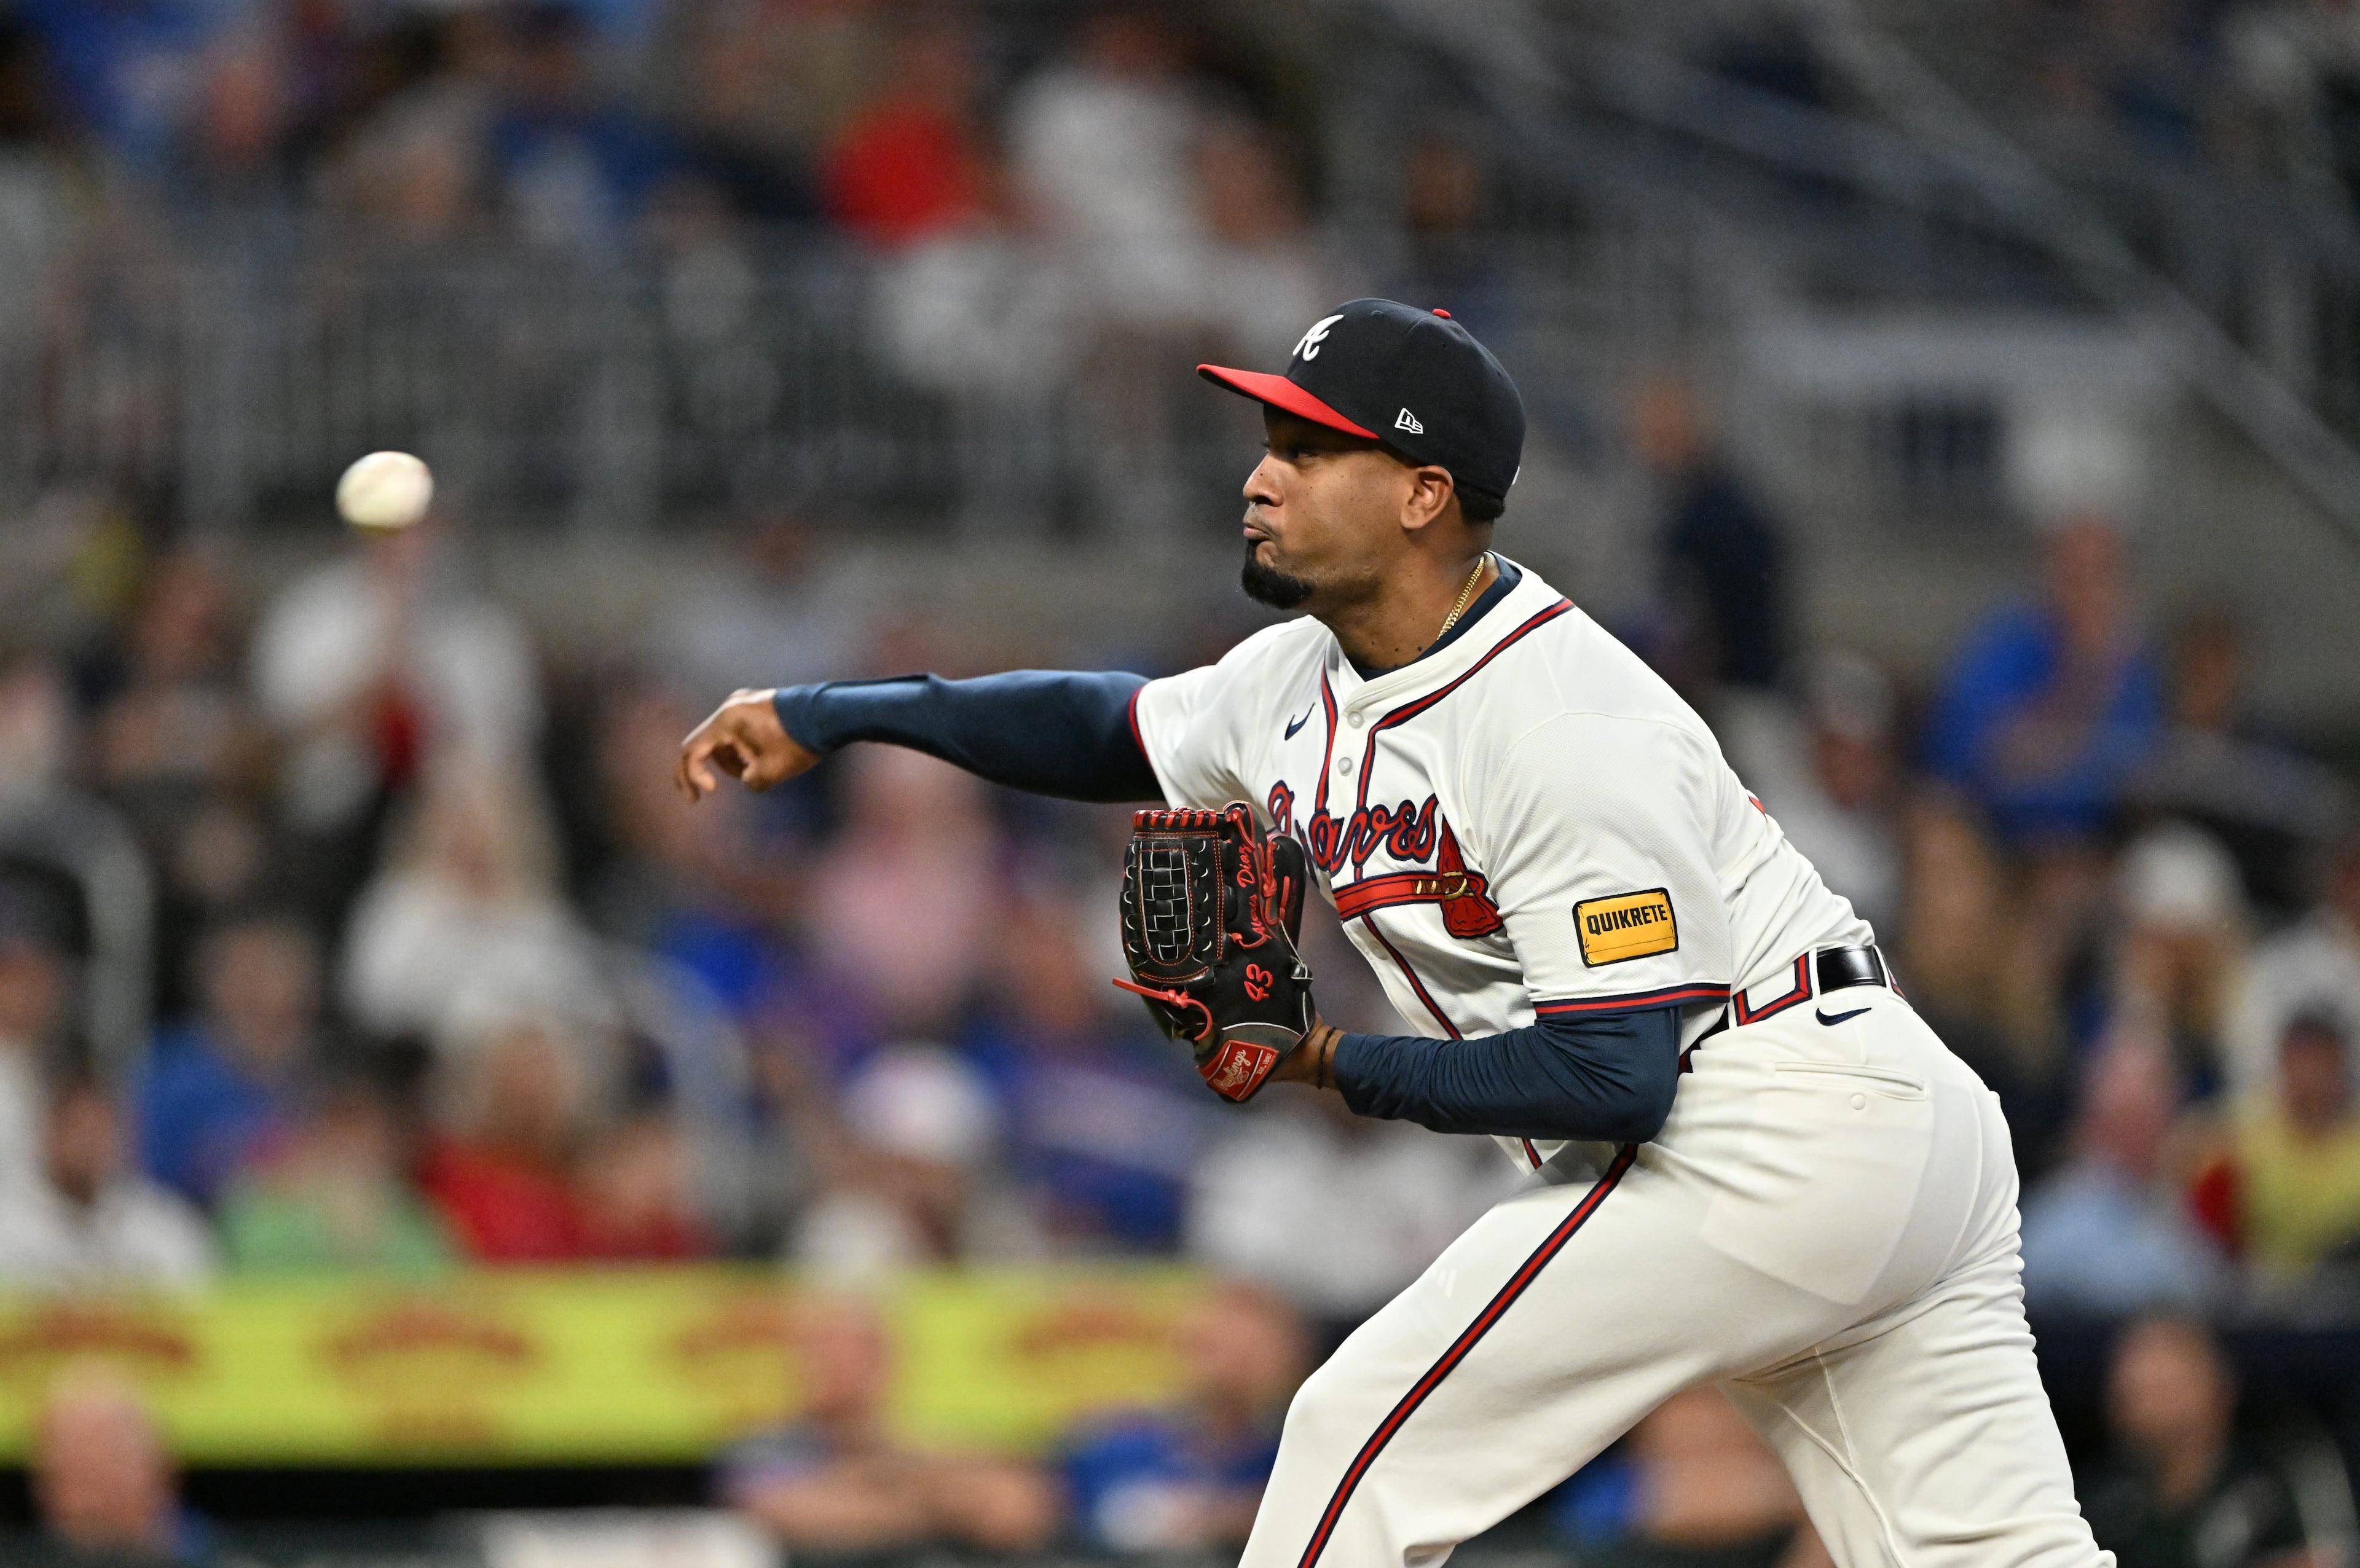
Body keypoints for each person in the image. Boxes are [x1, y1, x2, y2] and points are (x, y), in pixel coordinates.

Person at [676, 298, 2110, 1564]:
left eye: (1307, 448)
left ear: (1423, 494)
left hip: (1772, 1115)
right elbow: (1101, 721)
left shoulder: (1557, 720)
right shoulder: (1296, 673)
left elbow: (1618, 1076)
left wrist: (1321, 1062)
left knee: (1353, 1433)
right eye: (1269, 438)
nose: (1260, 475)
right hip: (1860, 1130)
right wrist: (838, 712)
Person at [718, 1293, 1058, 1552]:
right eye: (824, 1349)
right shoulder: (765, 1443)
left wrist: (891, 1477)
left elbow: (1019, 1510)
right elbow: (783, 1513)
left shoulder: (932, 1441)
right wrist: (937, 1504)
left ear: (887, 1361)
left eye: (856, 1350)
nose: (839, 1366)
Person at [1061, 1280, 1308, 1551]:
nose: (1229, 1371)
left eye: (1250, 1354)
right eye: (1213, 1348)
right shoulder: (1116, 1445)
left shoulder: (1296, 1458)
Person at [2083, 1318, 2317, 1568]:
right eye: (2129, 1393)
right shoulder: (2100, 1506)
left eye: (2161, 1389)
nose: (2140, 1408)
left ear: (2218, 1395)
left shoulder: (2270, 1496)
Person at [0, 1072, 213, 1287]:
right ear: (47, 1135)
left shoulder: (164, 1230)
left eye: (100, 1130)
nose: (88, 1145)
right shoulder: (10, 1229)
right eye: (76, 1129)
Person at [33, 1364, 208, 1562]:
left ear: (163, 1467)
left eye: (108, 1464)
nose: (93, 1498)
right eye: (76, 1476)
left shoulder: (230, 1555)